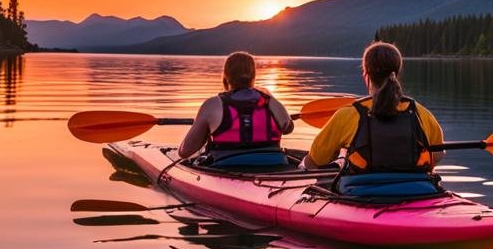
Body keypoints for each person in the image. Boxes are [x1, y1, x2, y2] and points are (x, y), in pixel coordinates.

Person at [302, 42, 443, 195]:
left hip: (360, 192)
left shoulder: (349, 114)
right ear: (396, 74)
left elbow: (314, 162)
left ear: (366, 75)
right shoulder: (420, 113)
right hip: (418, 190)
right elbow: (437, 154)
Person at [178, 51, 294, 161]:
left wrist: (205, 128)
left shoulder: (212, 105)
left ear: (226, 76)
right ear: (253, 76)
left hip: (226, 166)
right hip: (274, 164)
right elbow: (288, 128)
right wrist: (269, 97)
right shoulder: (270, 101)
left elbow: (184, 152)